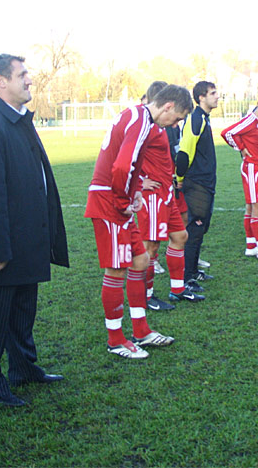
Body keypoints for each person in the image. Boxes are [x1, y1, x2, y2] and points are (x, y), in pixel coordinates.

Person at [0, 54, 69, 407]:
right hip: (3, 249)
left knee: (22, 313)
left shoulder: (18, 121)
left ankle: (24, 368)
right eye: (22, 75)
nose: (29, 80)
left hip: (27, 241)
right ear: (0, 81)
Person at [85, 84, 192, 359]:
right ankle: (115, 339)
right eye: (178, 117)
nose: (175, 123)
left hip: (119, 200)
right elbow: (122, 165)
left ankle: (141, 330)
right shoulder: (141, 120)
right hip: (109, 202)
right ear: (168, 106)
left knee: (141, 260)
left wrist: (132, 194)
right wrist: (123, 201)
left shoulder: (138, 117)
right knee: (116, 270)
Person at [137, 81, 204, 311]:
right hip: (153, 194)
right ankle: (146, 296)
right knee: (151, 247)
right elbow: (123, 157)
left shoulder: (159, 127)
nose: (176, 122)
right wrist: (139, 182)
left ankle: (177, 289)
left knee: (180, 235)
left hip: (167, 191)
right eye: (176, 117)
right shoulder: (144, 125)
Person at [221, 94, 258, 261]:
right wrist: (240, 148)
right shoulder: (251, 120)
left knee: (252, 207)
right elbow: (227, 133)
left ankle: (251, 246)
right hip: (253, 168)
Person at [175, 81, 218, 292]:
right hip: (197, 183)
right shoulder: (195, 118)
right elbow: (184, 151)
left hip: (206, 182)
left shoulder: (204, 118)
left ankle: (193, 271)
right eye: (213, 93)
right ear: (201, 97)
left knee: (201, 229)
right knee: (195, 229)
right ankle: (187, 278)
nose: (217, 96)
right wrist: (179, 177)